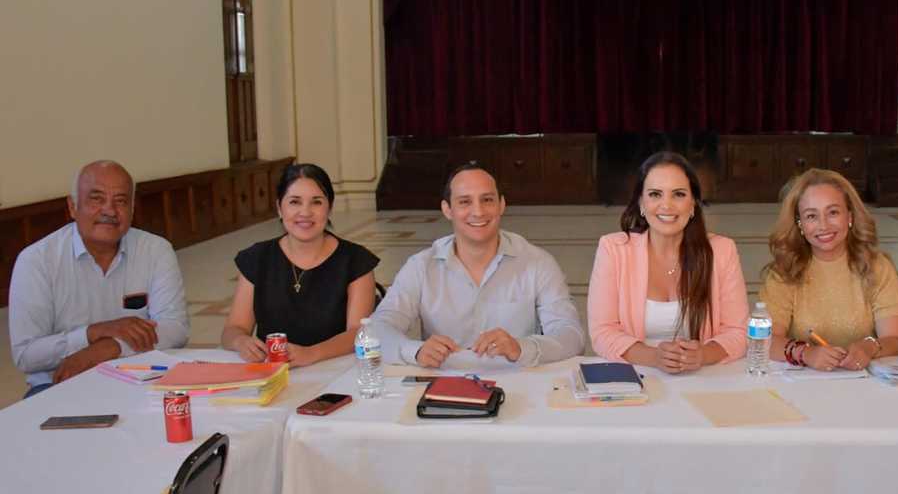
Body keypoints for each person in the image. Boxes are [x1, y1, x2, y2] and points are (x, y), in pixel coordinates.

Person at [371, 162, 584, 367]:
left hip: (519, 379)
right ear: (447, 209)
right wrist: (415, 351)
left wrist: (521, 348)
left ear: (501, 205)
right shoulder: (421, 266)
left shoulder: (538, 263)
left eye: (487, 200)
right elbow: (377, 329)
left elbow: (571, 336)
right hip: (445, 381)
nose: (478, 211)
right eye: (465, 202)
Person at [9, 160, 189, 396]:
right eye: (97, 199)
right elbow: (26, 354)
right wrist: (91, 334)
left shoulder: (155, 250)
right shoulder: (37, 260)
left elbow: (175, 328)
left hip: (140, 378)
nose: (109, 211)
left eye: (121, 201)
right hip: (60, 384)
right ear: (72, 206)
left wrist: (109, 347)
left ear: (132, 209)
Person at [587, 151, 747, 373]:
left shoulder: (722, 251)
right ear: (641, 203)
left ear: (693, 204)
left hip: (703, 377)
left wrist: (703, 354)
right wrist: (655, 357)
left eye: (678, 194)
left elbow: (738, 332)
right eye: (655, 194)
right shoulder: (613, 249)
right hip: (637, 375)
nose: (666, 205)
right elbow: (602, 333)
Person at [222, 163, 378, 366]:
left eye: (316, 202)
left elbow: (358, 332)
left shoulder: (356, 260)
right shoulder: (257, 258)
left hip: (335, 369)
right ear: (279, 208)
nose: (305, 212)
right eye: (294, 202)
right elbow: (233, 328)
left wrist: (310, 354)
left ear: (329, 208)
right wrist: (240, 341)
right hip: (272, 371)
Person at [761, 168, 898, 371]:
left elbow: (897, 339)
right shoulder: (784, 271)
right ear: (800, 224)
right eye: (811, 216)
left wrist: (869, 347)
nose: (823, 225)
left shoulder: (877, 266)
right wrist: (805, 353)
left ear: (850, 216)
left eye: (833, 212)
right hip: (803, 379)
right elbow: (765, 340)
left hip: (865, 380)